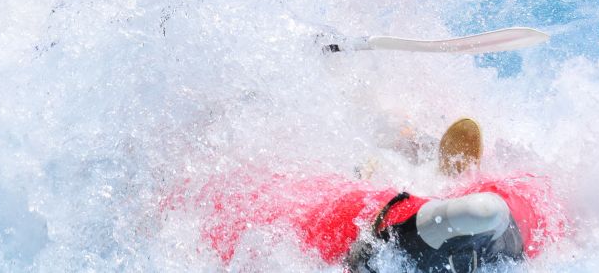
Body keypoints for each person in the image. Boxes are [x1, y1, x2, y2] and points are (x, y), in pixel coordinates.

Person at [181, 118, 566, 272]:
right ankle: (411, 158)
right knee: (479, 213)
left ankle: (407, 154)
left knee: (381, 149)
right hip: (402, 237)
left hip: (388, 236)